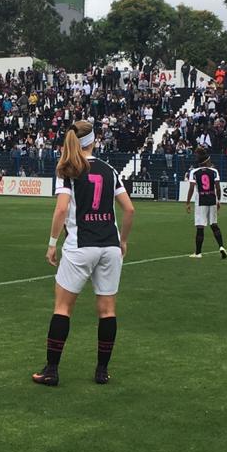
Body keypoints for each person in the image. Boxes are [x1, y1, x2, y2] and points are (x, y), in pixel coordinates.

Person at [32, 119, 135, 387]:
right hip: (109, 246)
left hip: (81, 245)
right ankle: (102, 371)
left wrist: (52, 242)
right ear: (94, 141)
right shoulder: (110, 169)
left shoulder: (68, 168)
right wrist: (123, 241)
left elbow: (62, 209)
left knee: (63, 308)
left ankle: (51, 370)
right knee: (107, 310)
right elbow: (129, 209)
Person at [184, 148, 227, 259]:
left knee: (200, 226)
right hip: (212, 198)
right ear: (207, 161)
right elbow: (218, 187)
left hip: (201, 199)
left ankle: (198, 253)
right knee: (214, 224)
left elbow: (191, 188)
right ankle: (221, 246)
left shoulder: (194, 171)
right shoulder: (214, 171)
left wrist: (188, 202)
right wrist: (218, 200)